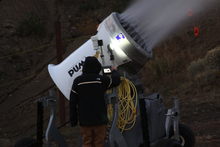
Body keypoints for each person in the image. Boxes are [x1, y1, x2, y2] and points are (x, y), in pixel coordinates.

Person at [69, 56, 121, 147]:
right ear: (97, 66)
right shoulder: (101, 80)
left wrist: (73, 120)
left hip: (84, 121)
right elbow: (116, 81)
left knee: (87, 143)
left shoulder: (77, 81)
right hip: (100, 120)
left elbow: (72, 102)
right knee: (99, 143)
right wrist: (114, 70)